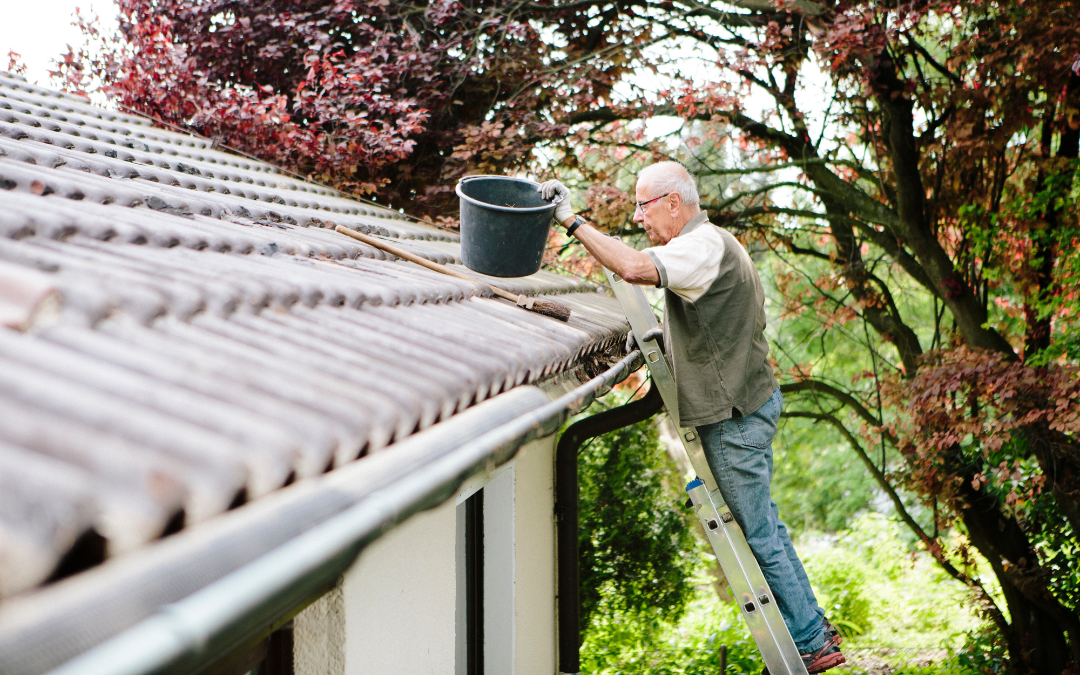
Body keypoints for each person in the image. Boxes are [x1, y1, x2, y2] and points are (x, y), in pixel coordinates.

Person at [540, 162, 845, 673]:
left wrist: (570, 221)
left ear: (674, 203)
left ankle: (811, 642)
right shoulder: (716, 242)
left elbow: (635, 268)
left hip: (733, 418)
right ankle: (813, 625)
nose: (639, 217)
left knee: (757, 534)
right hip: (747, 405)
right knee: (766, 525)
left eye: (644, 205)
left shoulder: (701, 248)